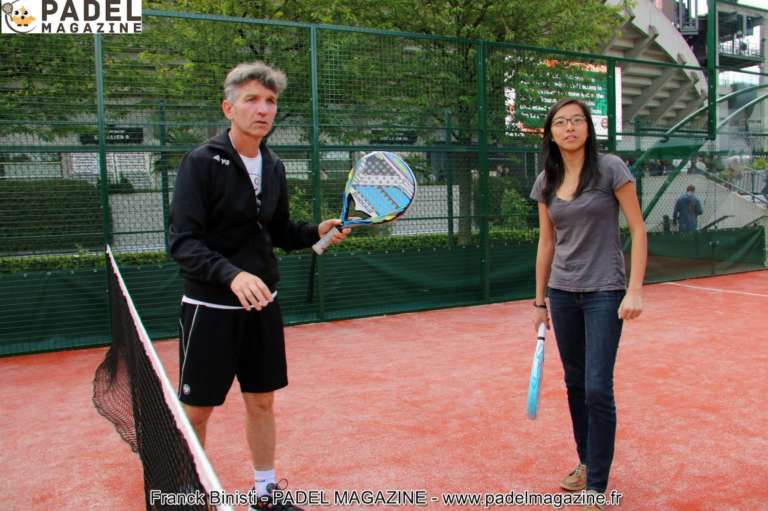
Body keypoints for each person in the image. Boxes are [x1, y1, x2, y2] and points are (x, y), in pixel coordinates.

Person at [168, 61, 350, 511]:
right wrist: (231, 275)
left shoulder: (273, 164)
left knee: (262, 403)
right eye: (251, 99)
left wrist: (315, 231)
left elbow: (278, 230)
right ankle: (189, 492)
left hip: (263, 304)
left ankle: (265, 493)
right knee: (197, 411)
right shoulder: (200, 162)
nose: (263, 109)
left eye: (270, 101)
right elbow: (182, 241)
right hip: (210, 307)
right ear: (228, 107)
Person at [529, 98, 647, 511]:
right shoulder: (546, 180)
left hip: (605, 292)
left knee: (598, 387)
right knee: (575, 384)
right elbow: (546, 242)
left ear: (588, 129)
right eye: (560, 122)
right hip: (562, 293)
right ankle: (584, 462)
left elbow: (638, 227)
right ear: (551, 133)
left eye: (577, 120)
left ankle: (598, 484)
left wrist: (634, 289)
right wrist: (539, 301)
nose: (569, 128)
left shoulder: (611, 168)